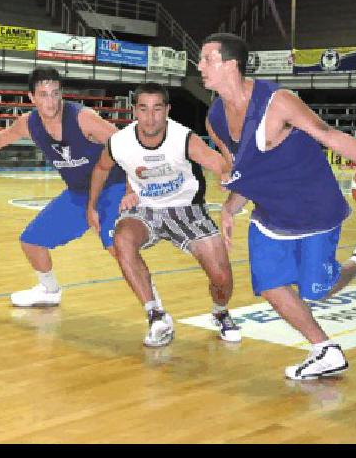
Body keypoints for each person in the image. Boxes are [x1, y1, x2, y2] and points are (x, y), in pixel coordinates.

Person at [198, 33, 356, 380]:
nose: (199, 66)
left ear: (230, 65)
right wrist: (229, 208)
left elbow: (328, 135)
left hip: (316, 207)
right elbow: (243, 169)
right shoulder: (215, 119)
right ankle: (324, 349)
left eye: (207, 59)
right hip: (271, 215)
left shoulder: (277, 101)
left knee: (317, 291)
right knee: (270, 284)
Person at [0, 67, 151, 308]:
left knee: (117, 247)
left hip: (112, 186)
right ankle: (49, 290)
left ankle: (154, 305)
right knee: (32, 241)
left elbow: (126, 148)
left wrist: (130, 190)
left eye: (55, 93)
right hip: (78, 194)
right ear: (31, 98)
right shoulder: (29, 123)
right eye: (43, 94)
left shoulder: (82, 118)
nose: (51, 101)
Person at [87, 82, 241, 347]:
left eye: (157, 109)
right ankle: (156, 315)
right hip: (144, 209)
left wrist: (226, 175)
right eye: (144, 109)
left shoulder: (184, 138)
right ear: (134, 110)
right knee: (122, 239)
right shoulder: (119, 142)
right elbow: (101, 168)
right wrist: (91, 205)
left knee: (222, 277)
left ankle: (219, 312)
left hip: (188, 209)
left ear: (167, 110)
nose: (150, 116)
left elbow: (219, 165)